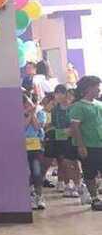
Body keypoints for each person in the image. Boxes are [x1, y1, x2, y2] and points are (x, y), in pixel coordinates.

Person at [69, 75, 102, 211]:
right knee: (90, 172)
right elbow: (75, 127)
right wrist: (81, 145)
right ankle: (94, 198)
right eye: (96, 87)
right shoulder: (78, 106)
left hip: (100, 143)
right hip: (89, 145)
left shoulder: (99, 104)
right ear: (88, 88)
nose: (99, 89)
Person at [46, 84, 80, 197]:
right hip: (59, 139)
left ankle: (78, 185)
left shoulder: (73, 108)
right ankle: (67, 185)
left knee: (73, 163)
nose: (59, 96)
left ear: (66, 94)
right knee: (62, 163)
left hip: (72, 139)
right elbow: (54, 124)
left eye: (61, 93)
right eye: (56, 93)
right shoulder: (55, 109)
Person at [24, 93, 48, 210]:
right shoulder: (18, 114)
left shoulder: (40, 113)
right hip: (22, 147)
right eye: (26, 103)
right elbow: (23, 126)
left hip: (36, 147)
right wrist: (28, 114)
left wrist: (32, 113)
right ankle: (31, 196)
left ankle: (39, 196)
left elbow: (37, 127)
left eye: (30, 102)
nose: (29, 105)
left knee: (37, 172)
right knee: (26, 172)